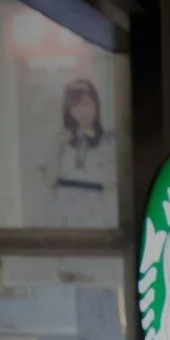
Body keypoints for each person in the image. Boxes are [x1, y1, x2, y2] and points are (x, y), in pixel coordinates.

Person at [41, 77, 113, 228]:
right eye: (76, 106)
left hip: (95, 213)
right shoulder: (60, 140)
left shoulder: (108, 141)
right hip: (63, 213)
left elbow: (111, 183)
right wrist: (55, 146)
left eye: (86, 104)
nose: (83, 111)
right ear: (69, 111)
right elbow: (49, 181)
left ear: (96, 105)